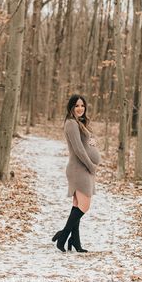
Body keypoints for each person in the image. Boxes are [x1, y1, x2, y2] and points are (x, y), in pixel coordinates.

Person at [52, 94, 101, 252]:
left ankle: (75, 241)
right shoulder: (71, 124)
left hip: (83, 168)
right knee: (84, 206)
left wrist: (93, 142)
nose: (80, 108)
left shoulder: (80, 123)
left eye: (82, 105)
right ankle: (63, 235)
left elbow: (89, 143)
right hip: (78, 169)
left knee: (77, 206)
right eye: (77, 105)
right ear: (71, 107)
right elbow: (78, 150)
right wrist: (91, 165)